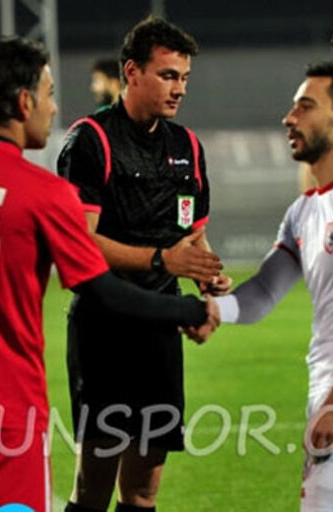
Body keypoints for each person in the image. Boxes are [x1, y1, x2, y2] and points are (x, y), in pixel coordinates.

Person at [0, 36, 218, 512]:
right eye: (49, 94)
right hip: (5, 410)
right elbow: (99, 288)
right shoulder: (41, 192)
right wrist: (186, 310)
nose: (53, 108)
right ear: (24, 102)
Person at [198, 61, 333, 511]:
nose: (289, 118)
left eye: (305, 107)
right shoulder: (304, 209)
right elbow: (264, 292)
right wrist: (216, 309)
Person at [57, 16, 230, 512]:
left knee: (143, 491)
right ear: (132, 72)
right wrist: (161, 258)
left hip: (160, 324)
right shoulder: (91, 140)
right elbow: (80, 242)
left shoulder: (186, 146)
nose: (179, 89)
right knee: (93, 487)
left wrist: (207, 279)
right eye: (168, 75)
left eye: (184, 78)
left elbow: (193, 233)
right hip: (104, 327)